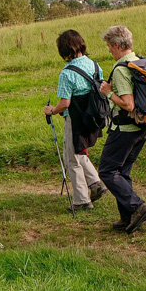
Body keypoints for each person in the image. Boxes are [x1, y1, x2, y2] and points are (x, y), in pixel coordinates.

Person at [97, 25, 146, 234]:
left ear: (117, 45)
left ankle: (138, 207)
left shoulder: (121, 69)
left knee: (107, 170)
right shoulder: (140, 61)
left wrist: (107, 93)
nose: (109, 51)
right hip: (142, 127)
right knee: (122, 172)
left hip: (125, 128)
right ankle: (127, 216)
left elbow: (128, 105)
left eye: (109, 47)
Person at [42, 30, 109, 211]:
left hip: (76, 119)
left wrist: (52, 110)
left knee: (71, 158)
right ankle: (95, 184)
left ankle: (82, 201)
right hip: (94, 117)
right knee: (79, 152)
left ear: (63, 50)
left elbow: (65, 103)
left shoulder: (67, 73)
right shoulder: (94, 65)